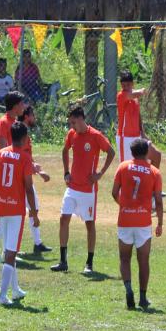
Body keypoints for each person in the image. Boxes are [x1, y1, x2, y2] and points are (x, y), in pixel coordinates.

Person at [51, 105, 116, 274]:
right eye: (70, 123)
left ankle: (89, 263)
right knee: (63, 219)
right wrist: (66, 172)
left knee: (89, 224)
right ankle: (63, 261)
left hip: (88, 190)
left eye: (73, 122)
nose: (71, 126)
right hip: (72, 188)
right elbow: (65, 150)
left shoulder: (95, 136)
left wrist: (100, 173)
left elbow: (111, 152)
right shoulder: (72, 134)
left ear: (81, 119)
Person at [112, 139, 163, 310]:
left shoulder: (122, 167)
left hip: (125, 220)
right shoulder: (154, 172)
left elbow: (114, 192)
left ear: (132, 152)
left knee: (124, 258)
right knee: (143, 260)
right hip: (143, 221)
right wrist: (160, 223)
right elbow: (158, 200)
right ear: (146, 153)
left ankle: (128, 289)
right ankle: (142, 297)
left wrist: (124, 206)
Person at [0, 121, 39, 306]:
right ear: (26, 138)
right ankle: (2, 296)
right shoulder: (25, 158)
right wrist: (34, 213)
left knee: (9, 249)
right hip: (16, 211)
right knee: (10, 253)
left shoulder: (0, 154)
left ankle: (16, 290)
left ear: (11, 136)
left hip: (1, 208)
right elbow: (28, 188)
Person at [0, 92, 29, 263]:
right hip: (5, 170)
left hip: (13, 170)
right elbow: (1, 145)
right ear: (14, 106)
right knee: (1, 209)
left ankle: (9, 251)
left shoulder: (16, 123)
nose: (24, 107)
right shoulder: (3, 122)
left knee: (7, 211)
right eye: (22, 104)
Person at [18, 103, 53, 255]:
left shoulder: (22, 132)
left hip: (24, 175)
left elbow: (26, 158)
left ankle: (37, 243)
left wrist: (36, 167)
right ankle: (17, 247)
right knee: (29, 209)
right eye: (33, 115)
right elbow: (21, 158)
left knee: (33, 208)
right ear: (27, 116)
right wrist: (39, 172)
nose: (34, 117)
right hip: (21, 178)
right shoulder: (21, 134)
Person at [116, 71, 163, 168]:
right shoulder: (121, 95)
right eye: (123, 85)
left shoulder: (135, 98)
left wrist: (143, 132)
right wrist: (142, 90)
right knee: (127, 169)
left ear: (133, 84)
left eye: (128, 85)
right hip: (125, 139)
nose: (126, 87)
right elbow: (133, 94)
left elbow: (138, 116)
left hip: (138, 137)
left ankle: (150, 181)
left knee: (157, 155)